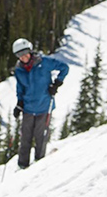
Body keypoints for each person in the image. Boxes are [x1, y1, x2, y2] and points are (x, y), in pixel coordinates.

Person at [12, 38, 69, 168]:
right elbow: (20, 88)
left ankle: (39, 164)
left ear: (30, 51)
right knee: (25, 138)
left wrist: (56, 84)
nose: (23, 57)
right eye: (19, 55)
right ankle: (22, 165)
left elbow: (64, 68)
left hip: (44, 106)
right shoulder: (19, 70)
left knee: (40, 137)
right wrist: (19, 103)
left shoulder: (44, 62)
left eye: (25, 53)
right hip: (28, 108)